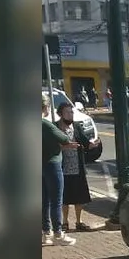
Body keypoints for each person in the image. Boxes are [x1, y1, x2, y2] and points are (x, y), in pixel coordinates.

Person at [42, 95, 78, 246]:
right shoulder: (46, 124)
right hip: (52, 164)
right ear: (45, 107)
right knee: (56, 200)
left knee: (43, 200)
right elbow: (64, 138)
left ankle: (46, 232)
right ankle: (58, 233)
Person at [55, 102, 96, 231]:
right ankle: (65, 222)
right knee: (65, 197)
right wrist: (65, 147)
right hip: (62, 167)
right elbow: (51, 145)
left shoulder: (76, 126)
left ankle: (79, 222)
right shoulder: (55, 127)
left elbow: (84, 141)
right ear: (61, 114)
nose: (70, 114)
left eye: (71, 112)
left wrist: (92, 144)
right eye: (67, 112)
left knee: (80, 196)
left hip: (77, 166)